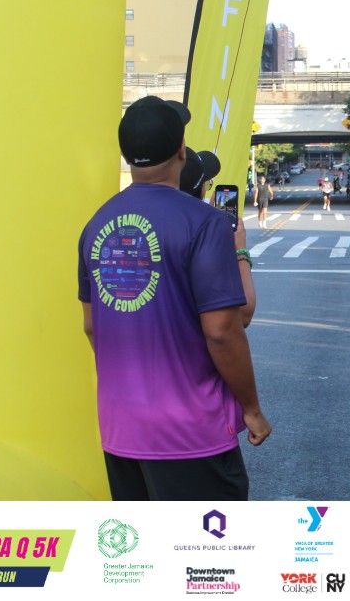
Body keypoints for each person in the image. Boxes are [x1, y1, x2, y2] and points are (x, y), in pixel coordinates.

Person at [77, 96, 270, 500]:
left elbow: (92, 326)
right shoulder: (204, 223)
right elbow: (222, 331)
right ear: (181, 149)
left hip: (120, 428)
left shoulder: (95, 226)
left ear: (126, 155)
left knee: (145, 541)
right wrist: (251, 408)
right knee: (208, 541)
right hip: (190, 432)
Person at [180, 149, 257, 327]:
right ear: (200, 189)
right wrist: (240, 251)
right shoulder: (205, 237)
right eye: (207, 184)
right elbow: (243, 315)